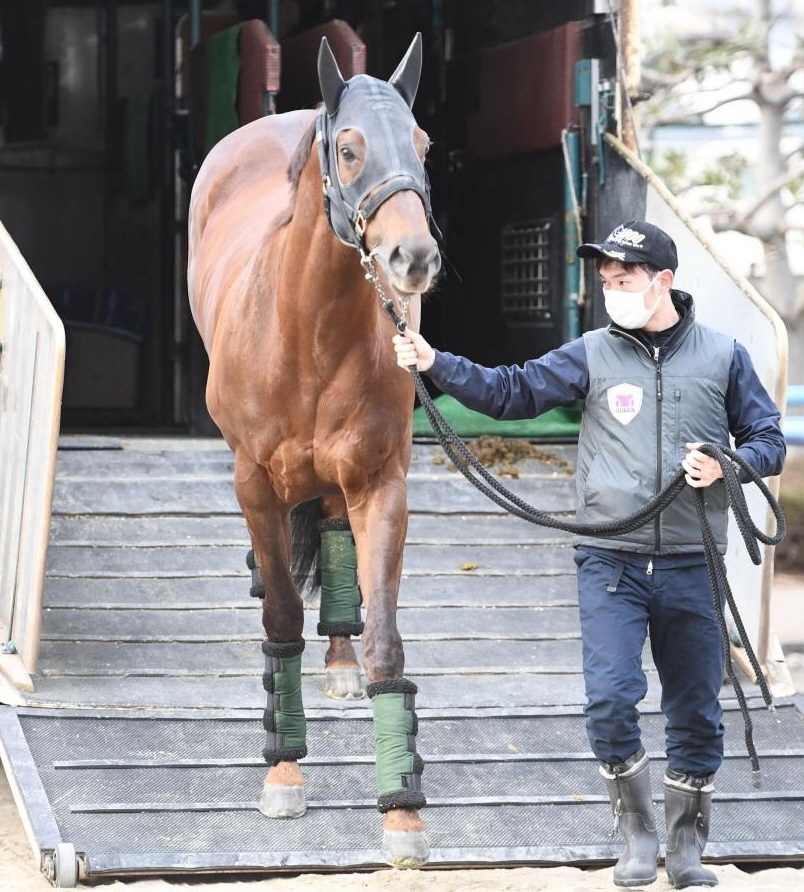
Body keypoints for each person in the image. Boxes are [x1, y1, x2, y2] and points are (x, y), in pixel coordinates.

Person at [392, 220, 786, 889]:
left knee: (696, 708)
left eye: (624, 279)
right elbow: (509, 391)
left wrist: (728, 464)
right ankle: (634, 831)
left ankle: (686, 844)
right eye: (605, 281)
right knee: (610, 700)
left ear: (663, 281)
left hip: (693, 561)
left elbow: (768, 440)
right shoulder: (591, 354)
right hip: (610, 561)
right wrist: (435, 363)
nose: (612, 291)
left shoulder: (724, 356)